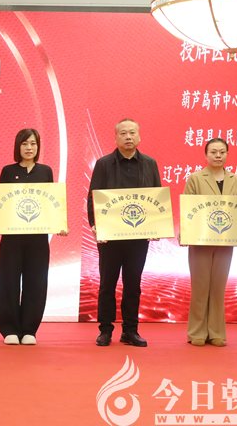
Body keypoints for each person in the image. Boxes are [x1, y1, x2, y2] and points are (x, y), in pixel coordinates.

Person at [88, 118, 161, 348]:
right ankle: (105, 330)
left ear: (139, 136)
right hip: (109, 236)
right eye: (123, 133)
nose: (128, 137)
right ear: (116, 137)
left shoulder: (150, 163)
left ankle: (130, 330)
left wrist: (157, 226)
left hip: (138, 236)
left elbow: (156, 197)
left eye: (132, 133)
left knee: (133, 285)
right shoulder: (103, 164)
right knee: (107, 284)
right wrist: (95, 226)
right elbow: (93, 196)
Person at [0, 129, 68, 346]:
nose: (29, 148)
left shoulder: (46, 171)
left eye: (33, 144)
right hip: (11, 236)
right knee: (7, 280)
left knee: (36, 281)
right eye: (25, 144)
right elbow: (2, 201)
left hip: (37, 237)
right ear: (18, 146)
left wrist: (59, 223)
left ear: (38, 147)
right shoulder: (8, 171)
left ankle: (29, 329)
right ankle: (9, 329)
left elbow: (51, 202)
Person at [183, 138, 237, 347]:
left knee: (218, 287)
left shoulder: (236, 180)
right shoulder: (196, 178)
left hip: (226, 240)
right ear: (206, 155)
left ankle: (216, 332)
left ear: (227, 154)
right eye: (213, 152)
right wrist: (185, 233)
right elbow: (188, 208)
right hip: (200, 240)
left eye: (222, 152)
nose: (218, 155)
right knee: (200, 287)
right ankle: (197, 332)